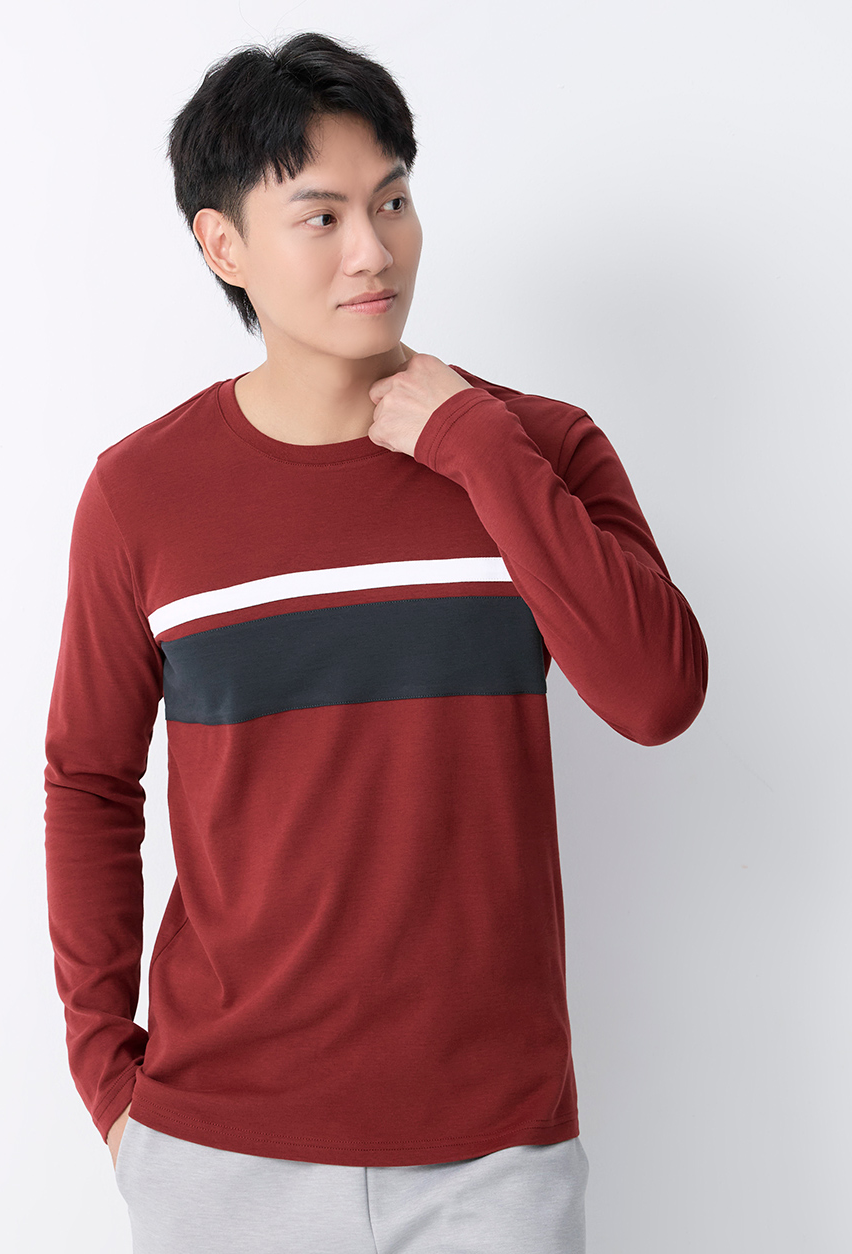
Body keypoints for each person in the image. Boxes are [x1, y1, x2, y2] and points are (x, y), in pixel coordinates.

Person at [43, 30, 708, 1254]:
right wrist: (107, 1080)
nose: (374, 249)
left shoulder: (539, 448)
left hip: (491, 1158)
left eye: (393, 201)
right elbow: (88, 783)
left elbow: (656, 694)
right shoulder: (140, 497)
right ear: (223, 245)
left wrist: (473, 446)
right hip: (219, 1152)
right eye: (322, 215)